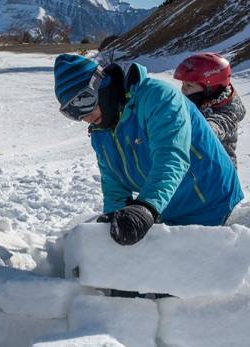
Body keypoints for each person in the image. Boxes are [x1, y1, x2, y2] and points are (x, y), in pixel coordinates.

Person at [53, 54, 243, 247]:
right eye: (72, 112)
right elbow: (113, 179)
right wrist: (114, 214)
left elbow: (171, 157)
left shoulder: (158, 97)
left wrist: (146, 207)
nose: (84, 116)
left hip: (214, 203)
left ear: (101, 84)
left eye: (83, 102)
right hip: (169, 207)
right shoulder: (100, 130)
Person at [174, 52, 245, 167]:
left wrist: (193, 131)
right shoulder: (202, 101)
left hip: (218, 173)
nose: (183, 90)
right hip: (197, 165)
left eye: (189, 86)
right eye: (183, 84)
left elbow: (215, 126)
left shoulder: (228, 112)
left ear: (210, 88)